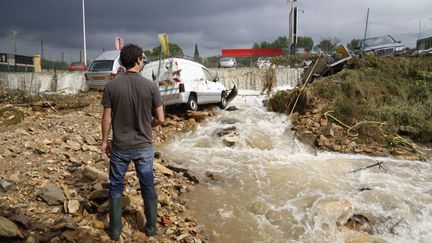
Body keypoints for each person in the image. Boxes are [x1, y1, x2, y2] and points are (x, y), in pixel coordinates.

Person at [101, 44, 164, 240]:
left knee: (115, 186)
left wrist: (104, 142)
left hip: (120, 146)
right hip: (144, 146)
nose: (143, 61)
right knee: (147, 185)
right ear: (138, 60)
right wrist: (148, 125)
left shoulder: (111, 86)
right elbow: (161, 119)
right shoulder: (151, 86)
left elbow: (106, 118)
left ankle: (115, 230)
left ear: (122, 62)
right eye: (142, 58)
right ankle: (151, 228)